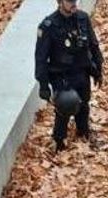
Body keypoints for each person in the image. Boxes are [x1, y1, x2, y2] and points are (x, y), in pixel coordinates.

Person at [34, 0, 103, 152]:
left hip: (81, 71)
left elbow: (93, 44)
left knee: (83, 104)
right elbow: (41, 59)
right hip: (62, 76)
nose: (73, 4)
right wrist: (44, 85)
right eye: (69, 1)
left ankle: (83, 133)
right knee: (66, 105)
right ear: (60, 2)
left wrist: (98, 68)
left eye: (74, 1)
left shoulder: (82, 18)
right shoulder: (49, 26)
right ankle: (59, 140)